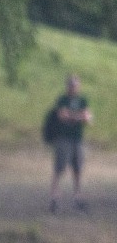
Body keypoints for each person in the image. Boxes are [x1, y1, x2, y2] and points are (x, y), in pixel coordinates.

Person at [47, 73, 91, 213]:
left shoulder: (83, 100)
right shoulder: (62, 99)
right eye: (71, 85)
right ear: (67, 87)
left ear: (79, 86)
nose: (73, 88)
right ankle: (54, 196)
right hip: (63, 139)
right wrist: (79, 116)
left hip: (77, 138)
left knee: (77, 167)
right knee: (59, 167)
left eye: (75, 85)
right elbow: (62, 116)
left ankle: (77, 196)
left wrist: (75, 117)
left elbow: (88, 118)